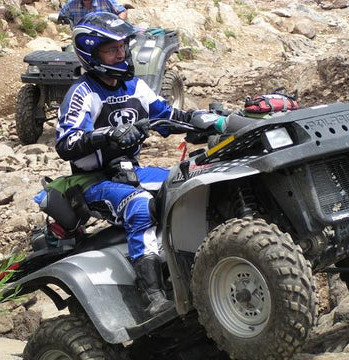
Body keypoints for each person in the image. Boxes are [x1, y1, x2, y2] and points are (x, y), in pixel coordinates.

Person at [55, 12, 225, 316]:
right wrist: (107, 134)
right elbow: (66, 144)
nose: (121, 53)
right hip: (93, 181)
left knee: (190, 181)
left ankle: (202, 262)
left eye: (122, 46)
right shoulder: (82, 93)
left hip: (129, 169)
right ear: (92, 54)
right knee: (139, 204)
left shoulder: (133, 86)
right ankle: (153, 293)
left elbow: (168, 117)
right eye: (111, 49)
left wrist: (210, 122)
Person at [58, 0, 127, 26]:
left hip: (106, 37)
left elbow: (122, 11)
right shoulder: (71, 4)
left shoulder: (106, 1)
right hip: (82, 38)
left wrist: (116, 24)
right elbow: (61, 17)